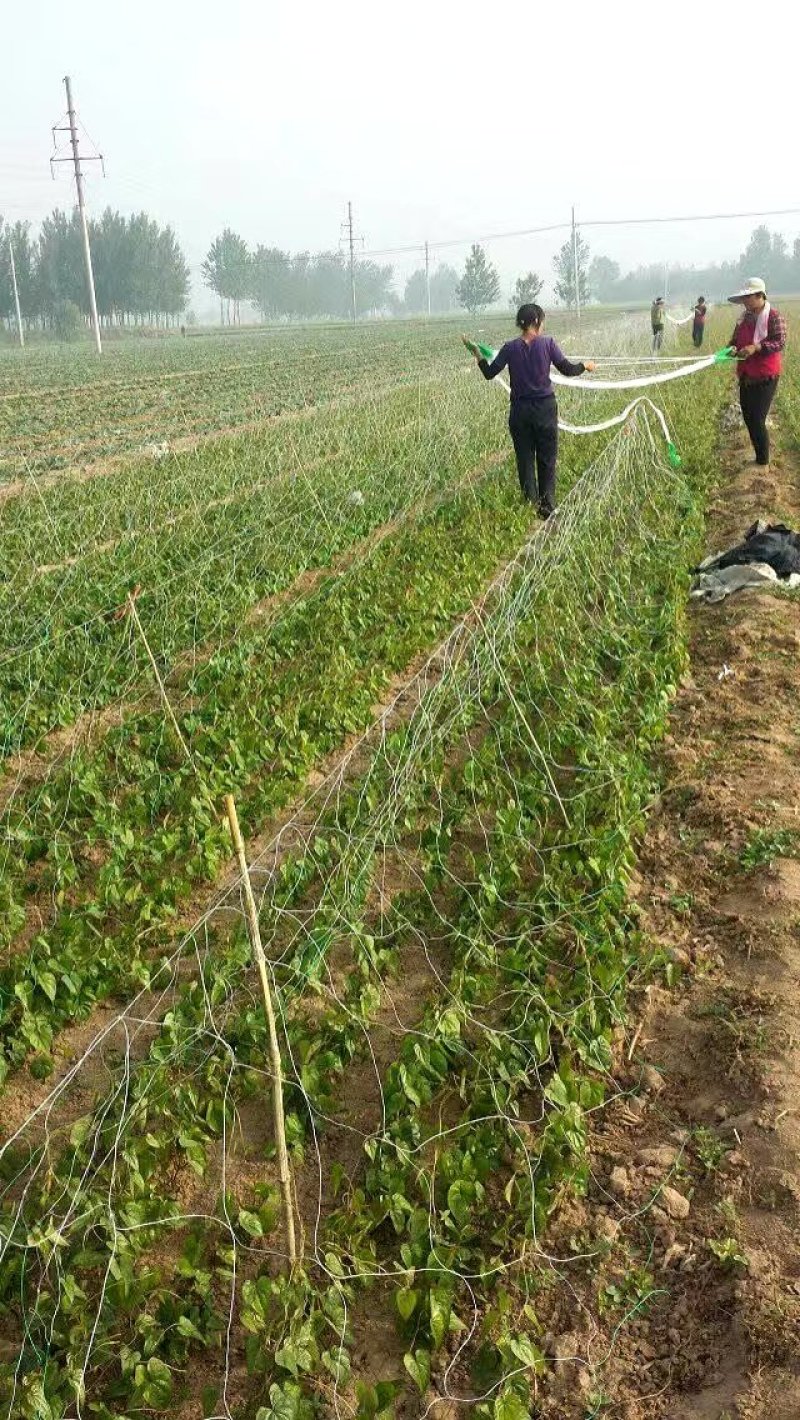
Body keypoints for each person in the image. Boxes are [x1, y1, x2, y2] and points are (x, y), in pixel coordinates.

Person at [463, 304, 595, 519]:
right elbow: (568, 369)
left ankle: (529, 506)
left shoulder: (509, 348)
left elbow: (489, 373)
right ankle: (547, 507)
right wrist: (586, 365)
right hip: (544, 409)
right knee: (547, 458)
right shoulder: (548, 344)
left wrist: (477, 354)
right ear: (536, 322)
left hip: (520, 412)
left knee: (524, 458)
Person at [727, 277, 787, 471]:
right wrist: (731, 349)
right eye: (743, 298)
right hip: (746, 374)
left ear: (760, 296)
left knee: (757, 418)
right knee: (748, 416)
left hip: (765, 376)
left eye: (748, 297)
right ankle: (758, 455)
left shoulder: (773, 317)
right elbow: (735, 340)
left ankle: (762, 461)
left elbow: (779, 342)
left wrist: (757, 347)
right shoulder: (744, 318)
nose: (745, 301)